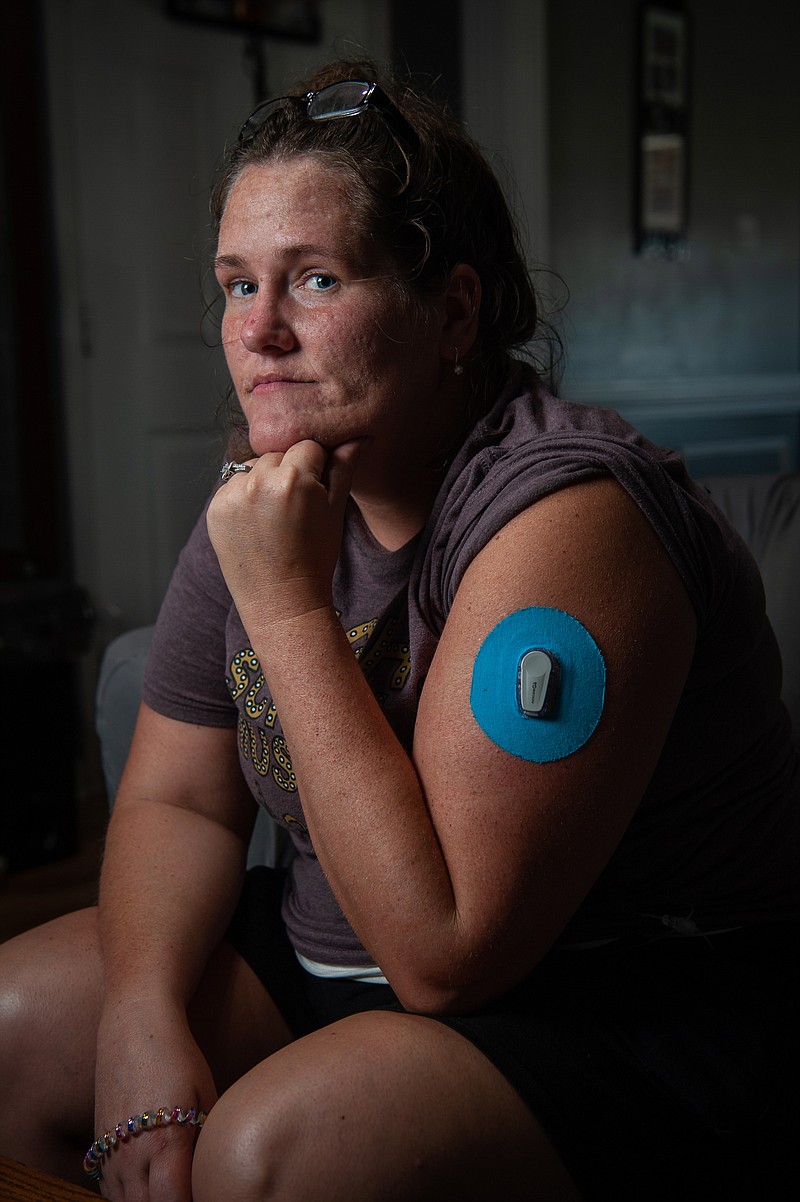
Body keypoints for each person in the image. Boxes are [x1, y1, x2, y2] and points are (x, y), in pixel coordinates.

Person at [0, 58, 797, 1202]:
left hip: (621, 997)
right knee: (21, 1024)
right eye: (235, 285)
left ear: (453, 311)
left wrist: (283, 605)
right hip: (341, 953)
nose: (259, 331)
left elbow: (445, 950)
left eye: (314, 280)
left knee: (269, 1153)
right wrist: (139, 1014)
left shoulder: (571, 516)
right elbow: (177, 798)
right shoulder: (266, 496)